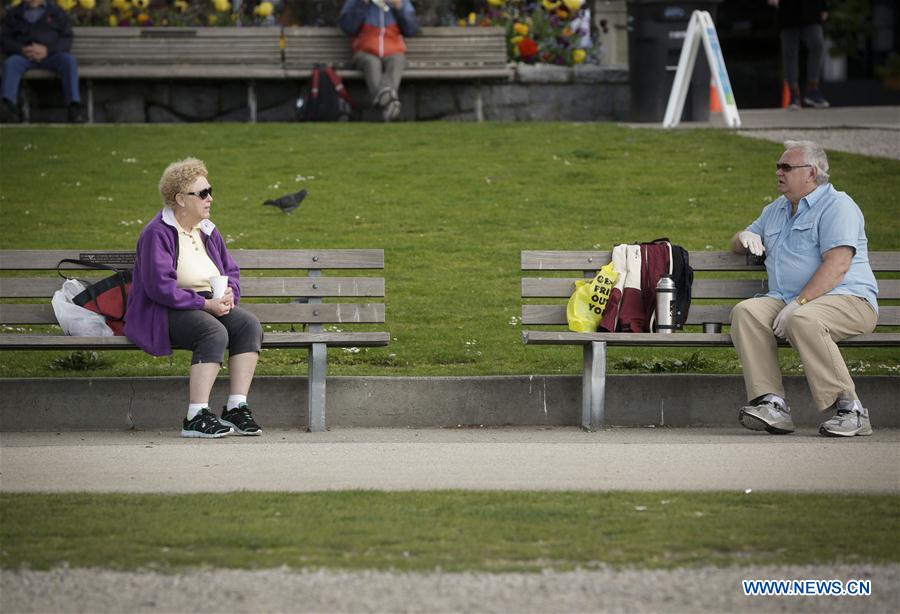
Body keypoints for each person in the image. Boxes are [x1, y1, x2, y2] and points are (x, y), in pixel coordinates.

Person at [730, 140, 878, 437]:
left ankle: (851, 409)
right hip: (786, 300)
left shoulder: (838, 206)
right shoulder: (776, 209)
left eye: (786, 167)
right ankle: (772, 404)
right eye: (778, 167)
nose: (778, 173)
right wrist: (743, 237)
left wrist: (799, 303)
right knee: (746, 312)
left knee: (804, 319)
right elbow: (738, 240)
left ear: (811, 173)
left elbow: (837, 266)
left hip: (847, 298)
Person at [125, 158, 264, 439]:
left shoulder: (208, 230)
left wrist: (229, 295)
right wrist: (204, 304)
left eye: (209, 191)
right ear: (180, 199)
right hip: (164, 309)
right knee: (211, 331)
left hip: (206, 303)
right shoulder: (158, 233)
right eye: (202, 193)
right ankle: (196, 415)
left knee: (248, 324)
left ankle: (236, 408)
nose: (210, 198)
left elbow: (231, 270)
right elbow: (159, 287)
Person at [0, 0, 85, 123]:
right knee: (11, 63)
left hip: (51, 56)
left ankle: (74, 108)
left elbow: (67, 38)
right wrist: (21, 49)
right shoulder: (14, 13)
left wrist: (47, 50)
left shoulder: (57, 12)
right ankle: (7, 108)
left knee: (69, 60)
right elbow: (4, 39)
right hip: (23, 57)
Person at [339, 0, 418, 122]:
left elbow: (412, 30)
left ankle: (384, 105)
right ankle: (389, 106)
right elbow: (347, 28)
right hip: (364, 52)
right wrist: (362, 4)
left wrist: (398, 6)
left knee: (397, 60)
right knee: (372, 63)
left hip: (393, 50)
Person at [768, 0, 830, 110]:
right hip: (787, 10)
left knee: (817, 45)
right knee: (790, 53)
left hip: (810, 9)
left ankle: (813, 89)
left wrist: (823, 6)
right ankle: (793, 94)